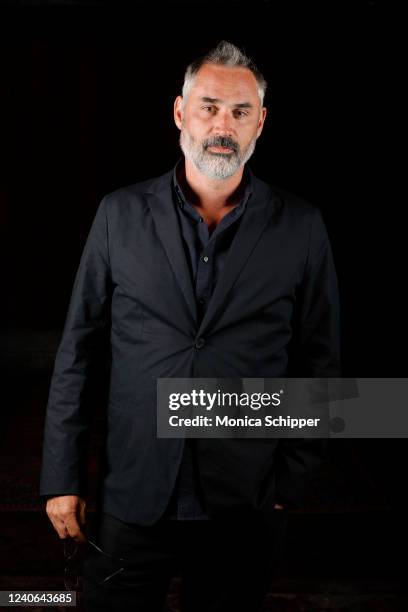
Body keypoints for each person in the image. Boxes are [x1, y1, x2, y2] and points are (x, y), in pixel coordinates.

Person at [39, 40, 340, 611]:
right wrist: (61, 476)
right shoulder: (118, 214)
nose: (222, 125)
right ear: (179, 112)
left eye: (239, 111)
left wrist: (288, 485)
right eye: (208, 106)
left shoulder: (302, 227)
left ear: (260, 123)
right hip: (130, 493)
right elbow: (77, 352)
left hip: (246, 504)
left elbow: (320, 361)